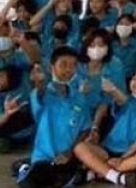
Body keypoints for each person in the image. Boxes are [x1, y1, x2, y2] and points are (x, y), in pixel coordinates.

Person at [72, 69, 136, 186]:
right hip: (109, 150)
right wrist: (112, 89)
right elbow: (119, 98)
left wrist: (122, 158)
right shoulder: (129, 101)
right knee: (79, 147)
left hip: (135, 152)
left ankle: (96, 172)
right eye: (134, 79)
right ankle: (117, 176)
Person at [16, 49, 92, 188]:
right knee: (32, 181)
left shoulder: (79, 97)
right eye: (63, 64)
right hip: (44, 157)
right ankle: (25, 168)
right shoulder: (44, 94)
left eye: (73, 65)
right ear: (52, 67)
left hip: (68, 157)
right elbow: (40, 93)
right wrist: (39, 83)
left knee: (68, 177)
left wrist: (70, 152)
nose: (69, 69)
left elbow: (85, 129)